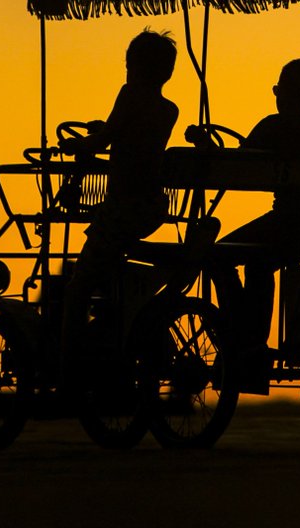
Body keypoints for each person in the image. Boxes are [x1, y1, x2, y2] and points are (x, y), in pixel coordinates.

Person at [61, 29, 180, 392]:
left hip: (123, 207)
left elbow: (108, 137)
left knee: (79, 285)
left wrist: (81, 146)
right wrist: (108, 132)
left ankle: (68, 363)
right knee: (109, 273)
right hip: (152, 207)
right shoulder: (169, 110)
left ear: (134, 67)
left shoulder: (129, 94)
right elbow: (134, 136)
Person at [210, 59, 300, 386]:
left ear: (284, 93)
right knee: (257, 261)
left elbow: (239, 167)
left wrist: (205, 147)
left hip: (287, 224)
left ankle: (246, 339)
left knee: (218, 255)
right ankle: (249, 340)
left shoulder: (274, 126)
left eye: (278, 89)